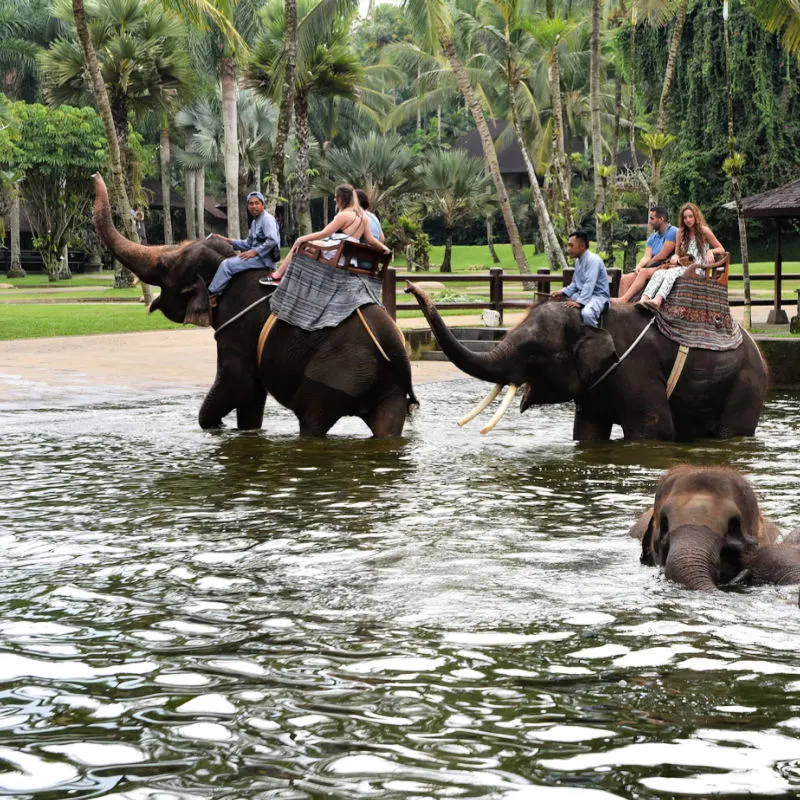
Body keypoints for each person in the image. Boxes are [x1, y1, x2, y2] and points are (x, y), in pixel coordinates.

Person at [272, 184, 389, 279]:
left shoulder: (344, 215)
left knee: (302, 244)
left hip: (337, 251)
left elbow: (324, 233)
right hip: (348, 254)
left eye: (335, 197)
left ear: (340, 198)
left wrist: (302, 238)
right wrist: (385, 248)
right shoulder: (364, 217)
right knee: (311, 246)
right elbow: (371, 240)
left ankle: (280, 274)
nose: (334, 199)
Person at [638, 202, 724, 311]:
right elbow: (677, 253)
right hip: (683, 266)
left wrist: (710, 251)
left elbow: (721, 249)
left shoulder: (704, 231)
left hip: (698, 269)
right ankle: (643, 299)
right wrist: (676, 256)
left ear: (696, 216)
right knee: (659, 273)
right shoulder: (680, 233)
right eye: (685, 217)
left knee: (672, 272)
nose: (688, 220)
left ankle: (658, 300)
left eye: (690, 216)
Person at [208, 191, 280, 301]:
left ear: (263, 204)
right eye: (251, 204)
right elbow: (248, 244)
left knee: (226, 265)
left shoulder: (267, 219)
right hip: (257, 256)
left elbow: (272, 240)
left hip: (265, 259)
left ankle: (212, 295)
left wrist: (255, 252)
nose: (253, 206)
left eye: (256, 203)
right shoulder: (255, 222)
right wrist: (227, 240)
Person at [612, 205, 678, 304]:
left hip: (665, 266)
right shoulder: (652, 237)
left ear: (661, 219)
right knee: (625, 279)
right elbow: (647, 256)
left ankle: (624, 300)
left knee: (643, 272)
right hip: (652, 266)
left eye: (652, 218)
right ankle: (623, 312)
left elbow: (663, 255)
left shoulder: (673, 232)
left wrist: (646, 266)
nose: (649, 222)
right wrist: (639, 266)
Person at [551, 230, 610, 327]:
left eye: (571, 245)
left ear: (582, 246)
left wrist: (579, 302)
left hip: (598, 297)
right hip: (583, 295)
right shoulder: (578, 261)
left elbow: (589, 284)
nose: (568, 249)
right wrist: (562, 292)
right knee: (560, 301)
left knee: (587, 314)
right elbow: (575, 283)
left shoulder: (593, 260)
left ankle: (596, 339)